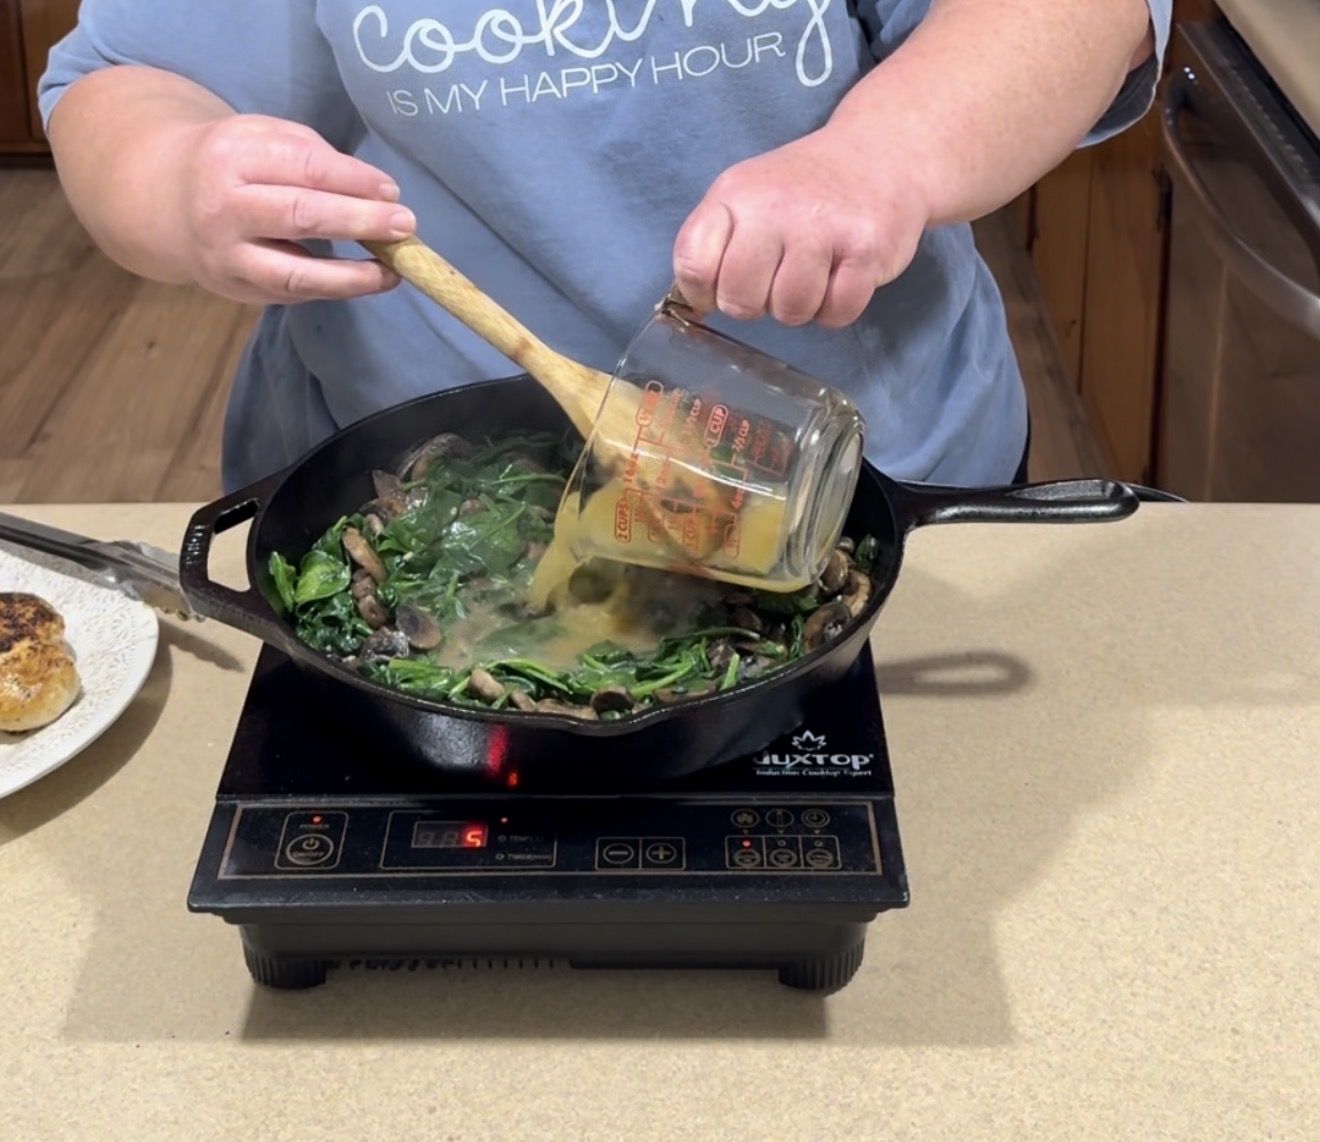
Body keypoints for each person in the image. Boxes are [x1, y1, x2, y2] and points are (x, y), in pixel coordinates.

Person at [38, 1, 1170, 494]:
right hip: (410, 485)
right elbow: (121, 80)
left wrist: (882, 156)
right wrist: (178, 176)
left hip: (869, 471)